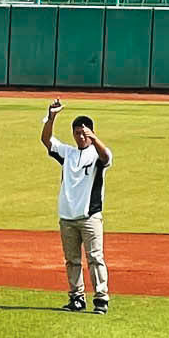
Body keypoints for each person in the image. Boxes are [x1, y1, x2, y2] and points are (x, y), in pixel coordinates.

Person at [41, 99, 112, 314]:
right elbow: (46, 140)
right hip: (67, 216)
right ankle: (77, 297)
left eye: (84, 133)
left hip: (90, 216)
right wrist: (51, 117)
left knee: (95, 257)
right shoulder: (68, 153)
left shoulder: (97, 155)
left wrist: (94, 138)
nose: (80, 137)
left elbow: (107, 156)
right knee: (72, 260)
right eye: (77, 133)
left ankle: (101, 298)